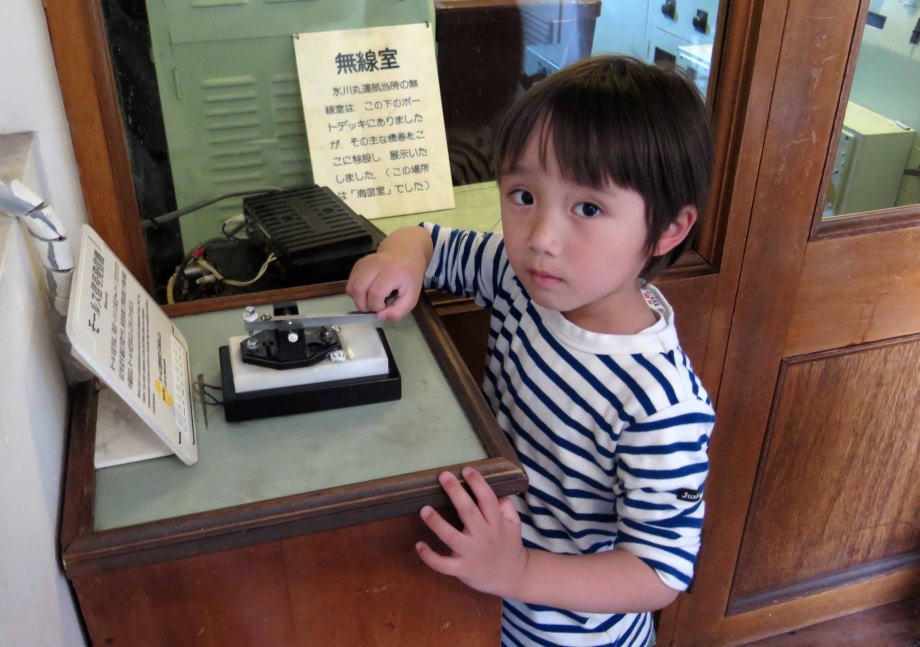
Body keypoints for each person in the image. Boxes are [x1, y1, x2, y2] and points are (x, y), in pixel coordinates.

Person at [346, 55, 715, 647]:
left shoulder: (660, 403)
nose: (541, 238)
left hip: (573, 636)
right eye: (523, 195)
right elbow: (427, 240)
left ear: (668, 229)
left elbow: (657, 574)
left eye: (588, 208)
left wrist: (516, 572)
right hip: (485, 603)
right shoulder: (522, 281)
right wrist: (397, 260)